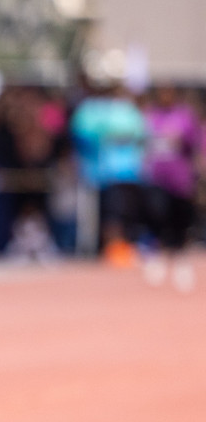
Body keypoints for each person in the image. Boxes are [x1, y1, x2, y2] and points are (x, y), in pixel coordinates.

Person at [70, 82, 147, 265]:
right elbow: (81, 135)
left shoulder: (126, 109)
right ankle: (105, 248)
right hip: (98, 176)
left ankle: (120, 247)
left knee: (124, 213)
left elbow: (139, 134)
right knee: (104, 215)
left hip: (127, 174)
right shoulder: (88, 109)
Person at [140, 86, 200, 291]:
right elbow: (143, 144)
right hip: (157, 177)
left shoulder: (185, 117)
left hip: (181, 179)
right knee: (157, 213)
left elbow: (196, 144)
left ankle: (180, 257)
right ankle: (158, 253)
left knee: (180, 219)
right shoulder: (150, 116)